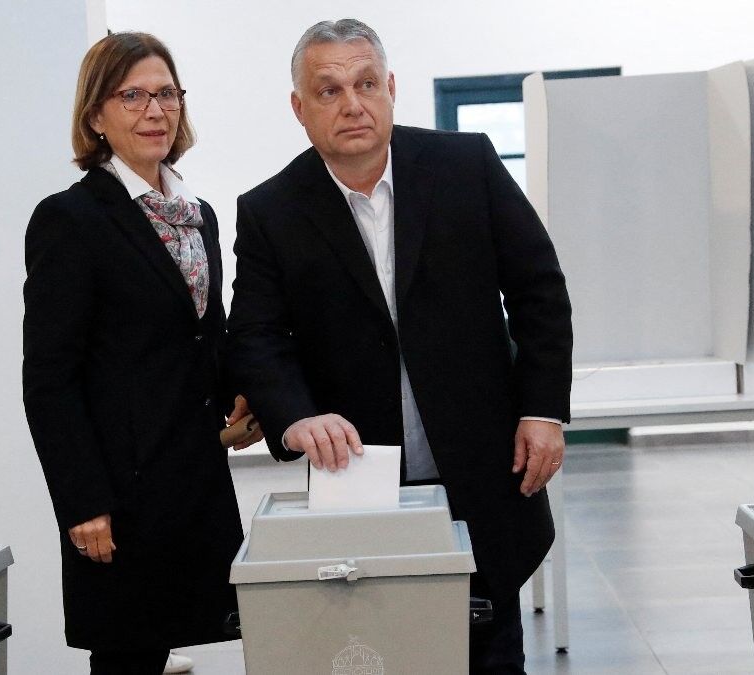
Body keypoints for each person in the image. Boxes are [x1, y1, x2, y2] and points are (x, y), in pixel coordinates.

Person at [226, 19, 573, 674]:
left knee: (492, 655)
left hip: (481, 464)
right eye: (328, 90)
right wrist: (295, 416)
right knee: (382, 653)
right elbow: (254, 333)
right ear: (299, 108)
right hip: (360, 478)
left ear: (390, 88)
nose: (352, 104)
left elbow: (539, 291)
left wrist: (543, 409)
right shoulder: (271, 210)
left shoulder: (466, 166)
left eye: (365, 84)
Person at [22, 32, 258, 675]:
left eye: (166, 94)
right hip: (119, 491)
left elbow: (203, 334)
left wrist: (243, 397)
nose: (155, 111)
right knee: (126, 658)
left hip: (193, 477)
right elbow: (49, 379)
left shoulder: (196, 214)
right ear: (96, 115)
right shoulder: (70, 219)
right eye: (132, 96)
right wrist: (82, 502)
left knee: (177, 642)